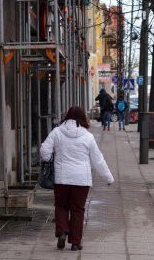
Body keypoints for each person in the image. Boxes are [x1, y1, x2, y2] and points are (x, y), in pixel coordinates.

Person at [40, 106, 114, 251]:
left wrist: (49, 158)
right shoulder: (88, 136)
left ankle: (62, 231)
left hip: (61, 178)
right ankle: (75, 242)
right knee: (78, 209)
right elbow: (98, 159)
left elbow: (44, 151)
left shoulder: (57, 132)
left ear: (67, 116)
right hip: (81, 180)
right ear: (83, 117)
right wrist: (108, 178)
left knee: (61, 205)